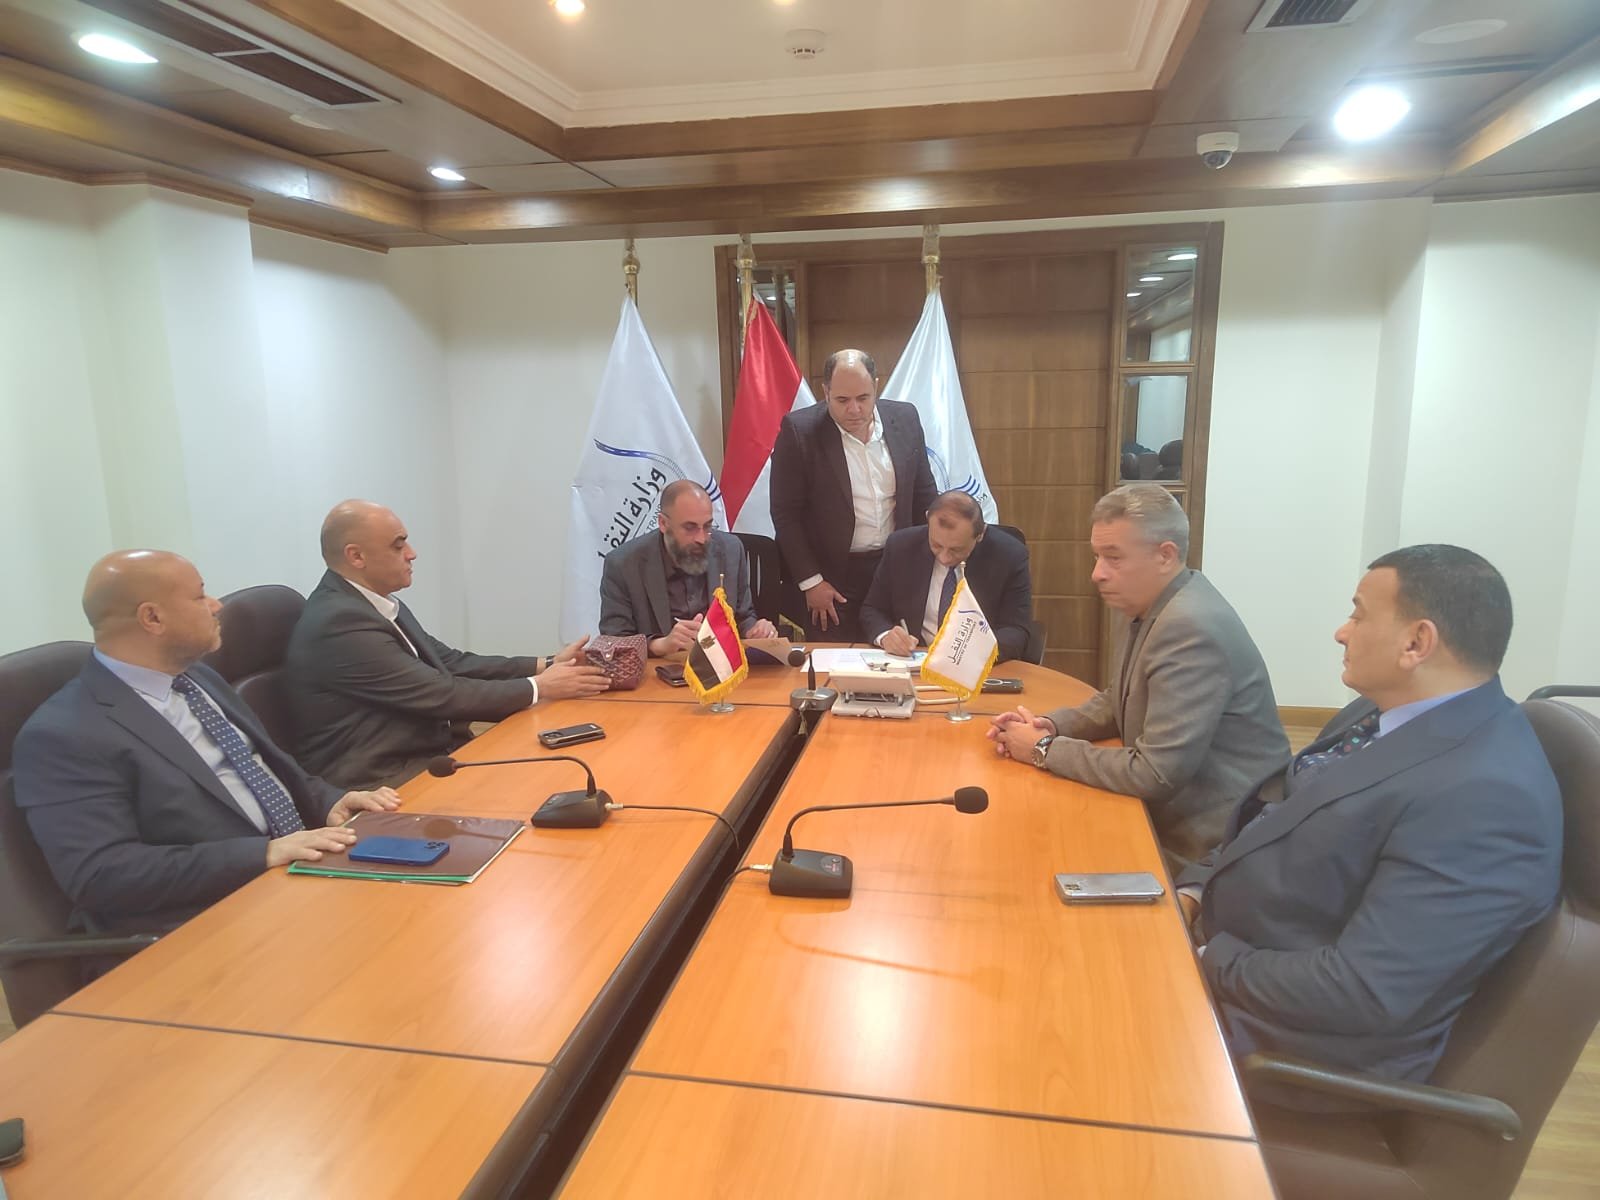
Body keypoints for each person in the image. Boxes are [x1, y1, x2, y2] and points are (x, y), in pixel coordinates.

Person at [1176, 545, 1561, 1087]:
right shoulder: (1380, 711)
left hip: (1287, 1044)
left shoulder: (1487, 796)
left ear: (1416, 642)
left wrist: (1202, 956)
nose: (1342, 632)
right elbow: (1274, 821)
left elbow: (1360, 992)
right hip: (1237, 956)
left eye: (1358, 615)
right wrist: (1192, 894)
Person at [14, 550, 401, 934]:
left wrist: (328, 801)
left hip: (292, 878)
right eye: (200, 596)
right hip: (204, 921)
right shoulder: (63, 735)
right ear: (152, 618)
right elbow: (103, 875)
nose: (217, 605)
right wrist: (262, 853)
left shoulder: (195, 679)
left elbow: (263, 768)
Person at [988, 484, 1287, 864]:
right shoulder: (1160, 602)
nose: (1097, 574)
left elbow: (1155, 774)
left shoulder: (1189, 626)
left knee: (1037, 851)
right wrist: (1051, 725)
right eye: (1097, 556)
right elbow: (1120, 699)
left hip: (1216, 844)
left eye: (1113, 558)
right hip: (1179, 818)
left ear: (1165, 555)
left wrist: (1043, 749)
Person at [286, 500, 609, 789]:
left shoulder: (374, 602)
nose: (412, 553)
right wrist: (540, 686)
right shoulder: (340, 623)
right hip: (381, 778)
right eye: (398, 545)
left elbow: (451, 662)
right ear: (356, 556)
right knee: (535, 785)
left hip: (428, 753)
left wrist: (547, 664)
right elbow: (440, 694)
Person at [769, 348, 937, 642]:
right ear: (826, 392)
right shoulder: (799, 431)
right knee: (836, 659)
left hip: (894, 568)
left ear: (876, 386)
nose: (855, 410)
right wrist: (811, 582)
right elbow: (785, 514)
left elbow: (925, 494)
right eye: (842, 400)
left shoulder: (905, 418)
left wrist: (926, 562)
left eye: (863, 398)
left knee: (897, 654)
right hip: (832, 577)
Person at [598, 480, 777, 656]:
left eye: (707, 526)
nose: (702, 538)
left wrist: (754, 631)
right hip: (660, 669)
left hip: (720, 666)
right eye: (690, 528)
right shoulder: (623, 565)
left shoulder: (730, 550)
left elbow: (743, 616)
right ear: (663, 523)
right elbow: (613, 642)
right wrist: (658, 644)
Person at [859, 490, 1032, 663]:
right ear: (928, 520)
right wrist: (886, 636)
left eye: (956, 550)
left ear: (980, 535)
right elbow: (872, 609)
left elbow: (1016, 630)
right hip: (913, 660)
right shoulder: (901, 546)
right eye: (936, 545)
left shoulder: (1009, 556)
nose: (944, 558)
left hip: (974, 666)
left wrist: (970, 652)